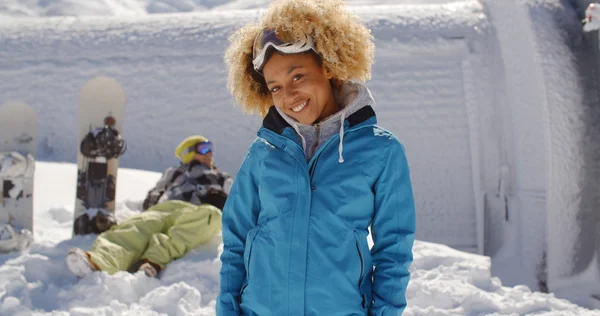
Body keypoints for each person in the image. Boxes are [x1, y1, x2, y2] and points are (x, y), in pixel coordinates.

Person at [217, 1, 416, 315]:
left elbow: (394, 249)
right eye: (276, 87)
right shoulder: (262, 153)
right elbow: (235, 240)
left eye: (297, 77)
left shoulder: (381, 152)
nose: (288, 95)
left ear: (327, 65)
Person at [66, 135, 231, 278]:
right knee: (135, 229)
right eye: (203, 148)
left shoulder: (220, 177)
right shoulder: (174, 172)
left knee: (212, 216)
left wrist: (223, 200)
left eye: (210, 148)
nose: (209, 153)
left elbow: (240, 196)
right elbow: (155, 193)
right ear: (188, 153)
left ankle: (152, 261)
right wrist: (151, 204)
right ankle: (99, 262)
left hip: (196, 211)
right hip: (164, 208)